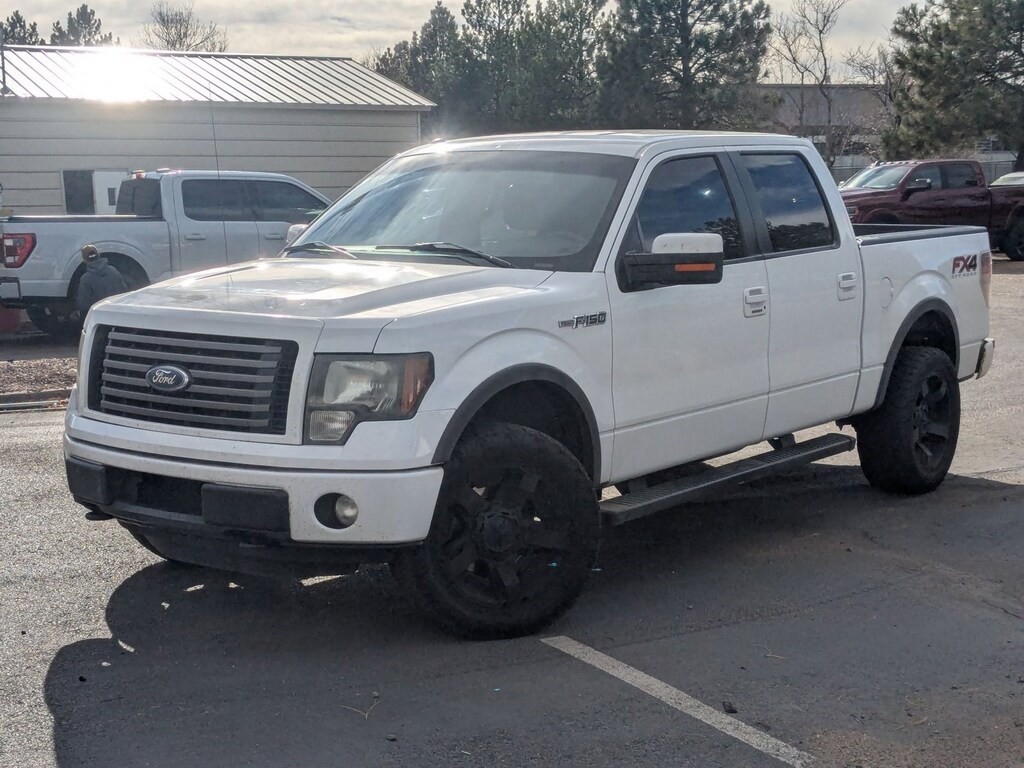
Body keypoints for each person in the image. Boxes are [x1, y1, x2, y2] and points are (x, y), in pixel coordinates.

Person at [76, 245, 128, 317]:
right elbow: (124, 291)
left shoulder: (85, 279)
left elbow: (84, 305)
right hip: (117, 314)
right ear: (99, 255)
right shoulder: (113, 270)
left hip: (100, 317)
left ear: (84, 260)